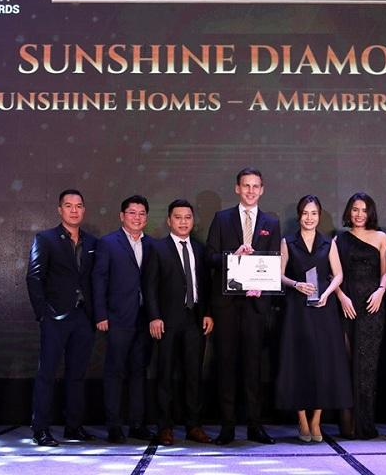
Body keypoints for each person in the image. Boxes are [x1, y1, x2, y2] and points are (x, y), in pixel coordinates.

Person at [206, 167, 281, 445]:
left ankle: (254, 425)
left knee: (253, 367)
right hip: (226, 304)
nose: (250, 191)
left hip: (255, 304)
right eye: (246, 185)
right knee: (225, 365)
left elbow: (273, 260)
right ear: (237, 188)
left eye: (255, 186)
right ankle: (227, 427)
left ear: (262, 190)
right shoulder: (222, 218)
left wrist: (263, 285)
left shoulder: (271, 222)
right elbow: (210, 257)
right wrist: (232, 257)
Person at [275, 195, 352, 442]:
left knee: (322, 363)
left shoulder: (328, 243)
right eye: (305, 213)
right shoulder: (288, 242)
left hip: (323, 309)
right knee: (297, 361)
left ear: (320, 216)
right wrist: (295, 284)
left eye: (314, 213)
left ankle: (316, 420)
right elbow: (278, 275)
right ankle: (301, 419)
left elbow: (338, 274)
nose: (309, 218)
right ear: (299, 216)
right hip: (296, 310)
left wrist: (328, 294)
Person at [26, 189, 97, 447]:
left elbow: (94, 279)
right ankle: (40, 429)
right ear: (60, 210)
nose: (74, 210)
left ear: (84, 210)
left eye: (78, 206)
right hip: (54, 317)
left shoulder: (92, 242)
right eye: (69, 206)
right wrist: (43, 314)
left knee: (77, 375)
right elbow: (34, 277)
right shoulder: (45, 239)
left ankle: (73, 427)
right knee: (47, 373)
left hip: (83, 317)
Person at [144, 199, 215, 446]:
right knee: (165, 374)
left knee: (194, 375)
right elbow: (149, 286)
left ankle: (193, 425)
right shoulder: (158, 248)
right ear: (169, 221)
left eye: (187, 217)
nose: (183, 222)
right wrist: (154, 316)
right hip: (166, 321)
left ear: (193, 220)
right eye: (178, 217)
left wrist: (208, 312)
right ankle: (165, 427)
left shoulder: (200, 249)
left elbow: (206, 285)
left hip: (195, 320)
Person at [92, 195, 155, 444]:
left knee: (139, 372)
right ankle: (114, 426)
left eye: (141, 213)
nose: (137, 217)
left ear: (146, 218)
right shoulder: (108, 243)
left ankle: (137, 424)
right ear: (122, 216)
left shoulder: (153, 244)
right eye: (132, 213)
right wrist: (101, 314)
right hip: (118, 317)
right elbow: (99, 279)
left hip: (145, 319)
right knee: (115, 371)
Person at [334, 192, 386, 439]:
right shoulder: (339, 240)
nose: (359, 214)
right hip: (347, 307)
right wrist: (341, 297)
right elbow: (333, 274)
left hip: (371, 307)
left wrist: (381, 291)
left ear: (370, 212)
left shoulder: (380, 237)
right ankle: (348, 424)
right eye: (355, 209)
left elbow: (385, 272)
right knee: (346, 365)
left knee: (367, 366)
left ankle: (365, 423)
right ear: (349, 211)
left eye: (364, 210)